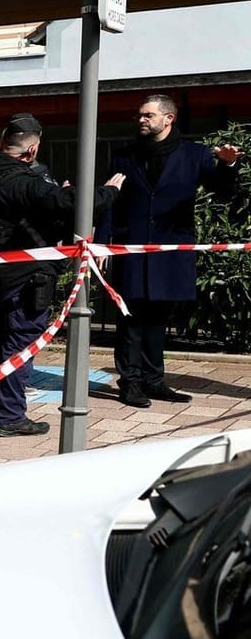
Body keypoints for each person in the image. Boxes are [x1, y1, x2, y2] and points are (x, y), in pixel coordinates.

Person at [0, 115, 124, 437]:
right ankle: (10, 417)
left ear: (1, 143)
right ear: (32, 149)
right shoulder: (22, 181)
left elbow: (17, 214)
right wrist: (108, 192)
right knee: (19, 345)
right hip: (24, 278)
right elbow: (69, 203)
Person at [101, 94, 242, 408]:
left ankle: (154, 381)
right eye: (140, 115)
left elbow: (223, 188)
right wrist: (103, 241)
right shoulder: (124, 156)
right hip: (131, 249)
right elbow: (112, 202)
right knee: (131, 320)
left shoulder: (194, 155)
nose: (141, 120)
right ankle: (131, 383)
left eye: (148, 115)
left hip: (170, 251)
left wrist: (229, 163)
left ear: (168, 119)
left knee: (157, 320)